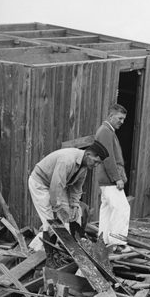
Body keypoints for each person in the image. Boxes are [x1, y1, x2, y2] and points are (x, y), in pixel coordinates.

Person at [28, 142, 108, 258]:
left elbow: (76, 188)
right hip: (40, 183)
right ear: (88, 154)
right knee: (51, 222)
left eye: (98, 163)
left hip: (57, 186)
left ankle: (73, 245)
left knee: (74, 214)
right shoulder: (67, 160)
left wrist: (74, 206)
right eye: (95, 162)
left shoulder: (84, 167)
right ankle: (37, 252)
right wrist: (58, 209)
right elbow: (56, 187)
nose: (96, 165)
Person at [95, 103, 132, 253]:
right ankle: (118, 243)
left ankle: (103, 241)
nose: (122, 122)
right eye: (119, 118)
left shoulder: (107, 131)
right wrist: (116, 178)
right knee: (122, 208)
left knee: (108, 210)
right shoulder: (105, 132)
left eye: (123, 119)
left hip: (106, 179)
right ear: (110, 116)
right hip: (110, 179)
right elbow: (107, 157)